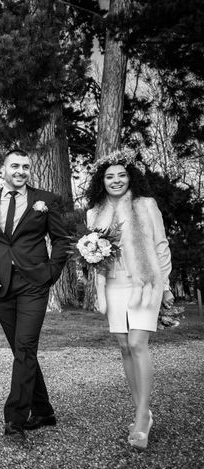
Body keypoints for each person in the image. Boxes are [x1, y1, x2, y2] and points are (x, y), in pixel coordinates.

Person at [0, 149, 70, 442]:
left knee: (25, 347)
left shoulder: (46, 200)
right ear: (2, 169)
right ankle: (44, 410)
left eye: (25, 167)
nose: (21, 171)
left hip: (33, 284)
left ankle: (14, 420)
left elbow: (62, 240)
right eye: (14, 165)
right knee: (21, 350)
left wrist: (50, 273)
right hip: (0, 285)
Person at [85, 150, 173, 450]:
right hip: (114, 284)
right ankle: (144, 412)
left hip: (146, 282)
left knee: (138, 343)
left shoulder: (146, 204)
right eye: (109, 176)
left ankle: (140, 416)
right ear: (102, 180)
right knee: (124, 346)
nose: (116, 180)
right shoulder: (94, 212)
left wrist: (167, 285)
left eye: (121, 175)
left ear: (130, 176)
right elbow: (94, 253)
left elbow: (161, 244)